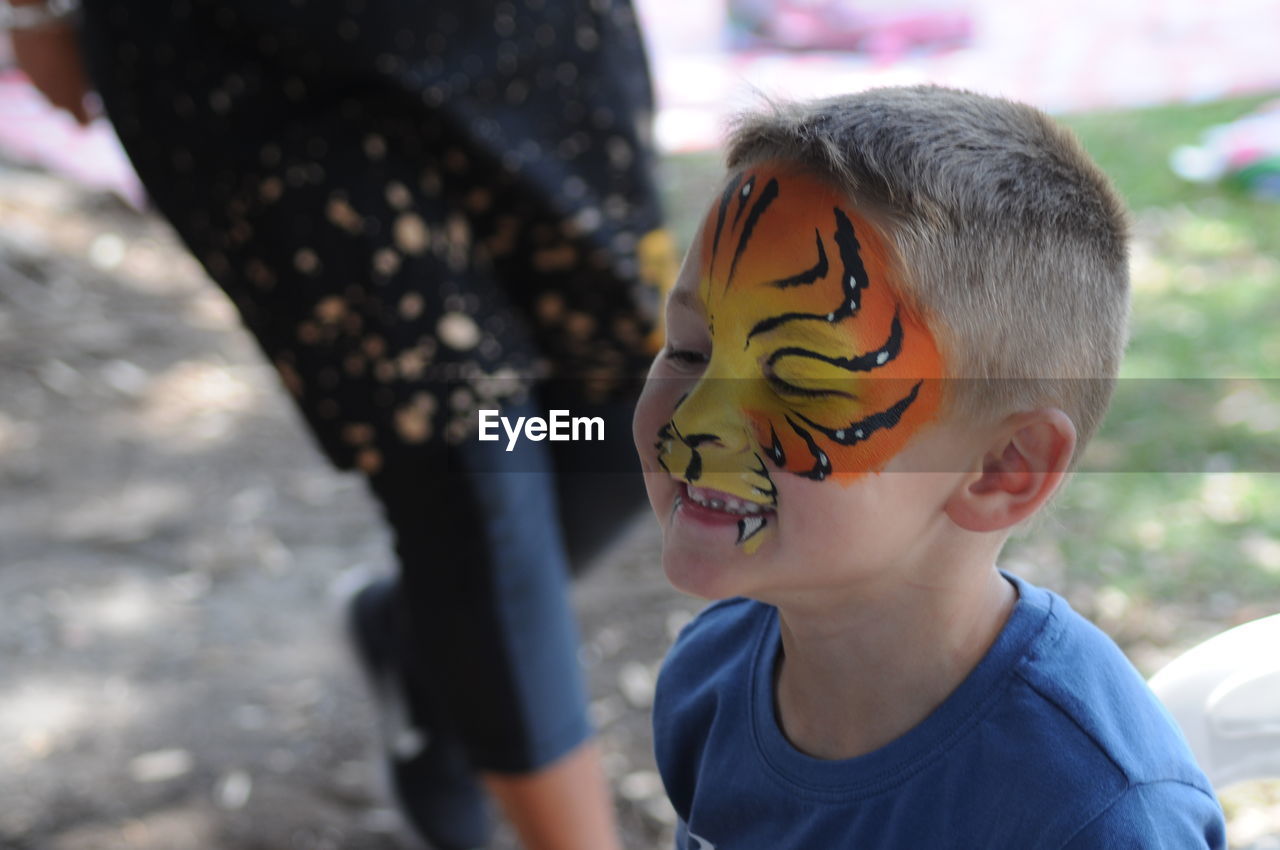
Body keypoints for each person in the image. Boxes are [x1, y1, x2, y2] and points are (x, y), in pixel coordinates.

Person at [9, 0, 675, 847]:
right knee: (472, 470)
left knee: (625, 420)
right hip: (245, 62)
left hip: (527, 36)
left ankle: (423, 640)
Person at [632, 85, 1228, 848]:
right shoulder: (709, 676)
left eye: (800, 379)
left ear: (1002, 468)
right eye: (688, 351)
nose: (690, 421)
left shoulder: (1094, 814)